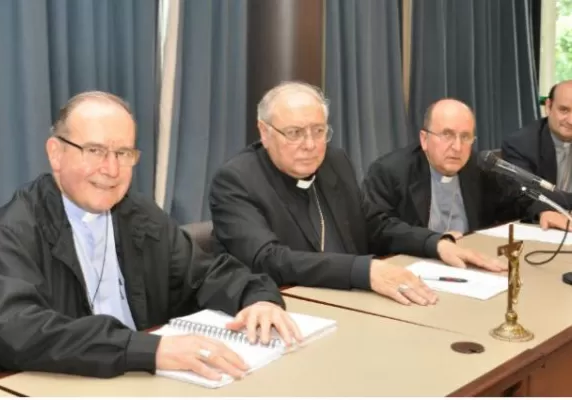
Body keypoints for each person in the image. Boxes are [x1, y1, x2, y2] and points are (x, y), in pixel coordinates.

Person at [0, 91, 301, 381]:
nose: (111, 170)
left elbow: (206, 273)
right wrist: (150, 350)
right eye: (95, 151)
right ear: (56, 153)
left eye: (123, 153)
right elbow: (21, 333)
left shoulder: (138, 214)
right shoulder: (9, 235)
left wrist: (258, 298)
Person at [209, 81, 505, 308]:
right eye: (295, 133)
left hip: (355, 300)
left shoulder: (334, 162)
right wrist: (365, 271)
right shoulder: (237, 181)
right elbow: (269, 260)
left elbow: (374, 224)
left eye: (318, 131)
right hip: (289, 307)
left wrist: (435, 244)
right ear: (264, 132)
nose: (310, 145)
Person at [363, 99, 530, 239]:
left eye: (465, 137)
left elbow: (518, 198)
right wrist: (434, 242)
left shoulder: (480, 168)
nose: (457, 147)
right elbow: (379, 228)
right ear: (424, 139)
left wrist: (541, 211)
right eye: (447, 135)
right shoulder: (390, 172)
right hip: (416, 260)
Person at [502, 81, 572, 231]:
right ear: (548, 106)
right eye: (564, 110)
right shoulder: (521, 144)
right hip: (538, 227)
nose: (571, 120)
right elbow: (525, 194)